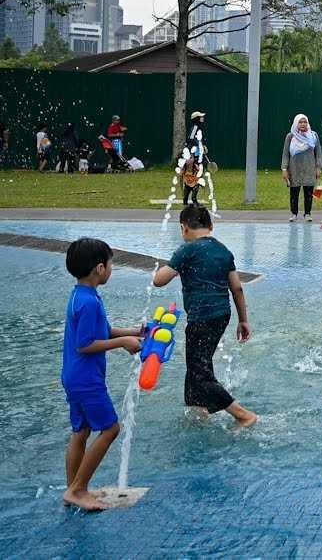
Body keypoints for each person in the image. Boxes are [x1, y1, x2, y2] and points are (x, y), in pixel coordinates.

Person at [152, 204, 257, 427]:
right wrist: (243, 320)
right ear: (211, 226)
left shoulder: (186, 250)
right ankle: (198, 412)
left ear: (184, 228)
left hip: (201, 318)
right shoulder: (223, 251)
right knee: (197, 366)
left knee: (200, 372)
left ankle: (243, 415)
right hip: (222, 315)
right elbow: (237, 288)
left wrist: (167, 264)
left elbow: (159, 280)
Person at [60, 238, 143, 511]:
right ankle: (79, 490)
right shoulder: (90, 303)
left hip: (73, 376)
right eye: (110, 265)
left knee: (81, 431)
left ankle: (73, 487)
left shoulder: (82, 295)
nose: (111, 269)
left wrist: (134, 332)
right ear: (99, 268)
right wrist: (123, 344)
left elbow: (103, 332)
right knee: (110, 428)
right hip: (86, 379)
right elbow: (85, 345)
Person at [281, 113, 322, 222]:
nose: (303, 124)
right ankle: (294, 214)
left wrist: (318, 167)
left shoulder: (313, 135)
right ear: (296, 123)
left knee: (309, 193)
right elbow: (285, 154)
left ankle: (307, 214)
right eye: (300, 122)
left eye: (305, 122)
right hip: (294, 169)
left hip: (309, 168)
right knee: (294, 193)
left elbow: (318, 153)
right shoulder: (290, 136)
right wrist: (284, 169)